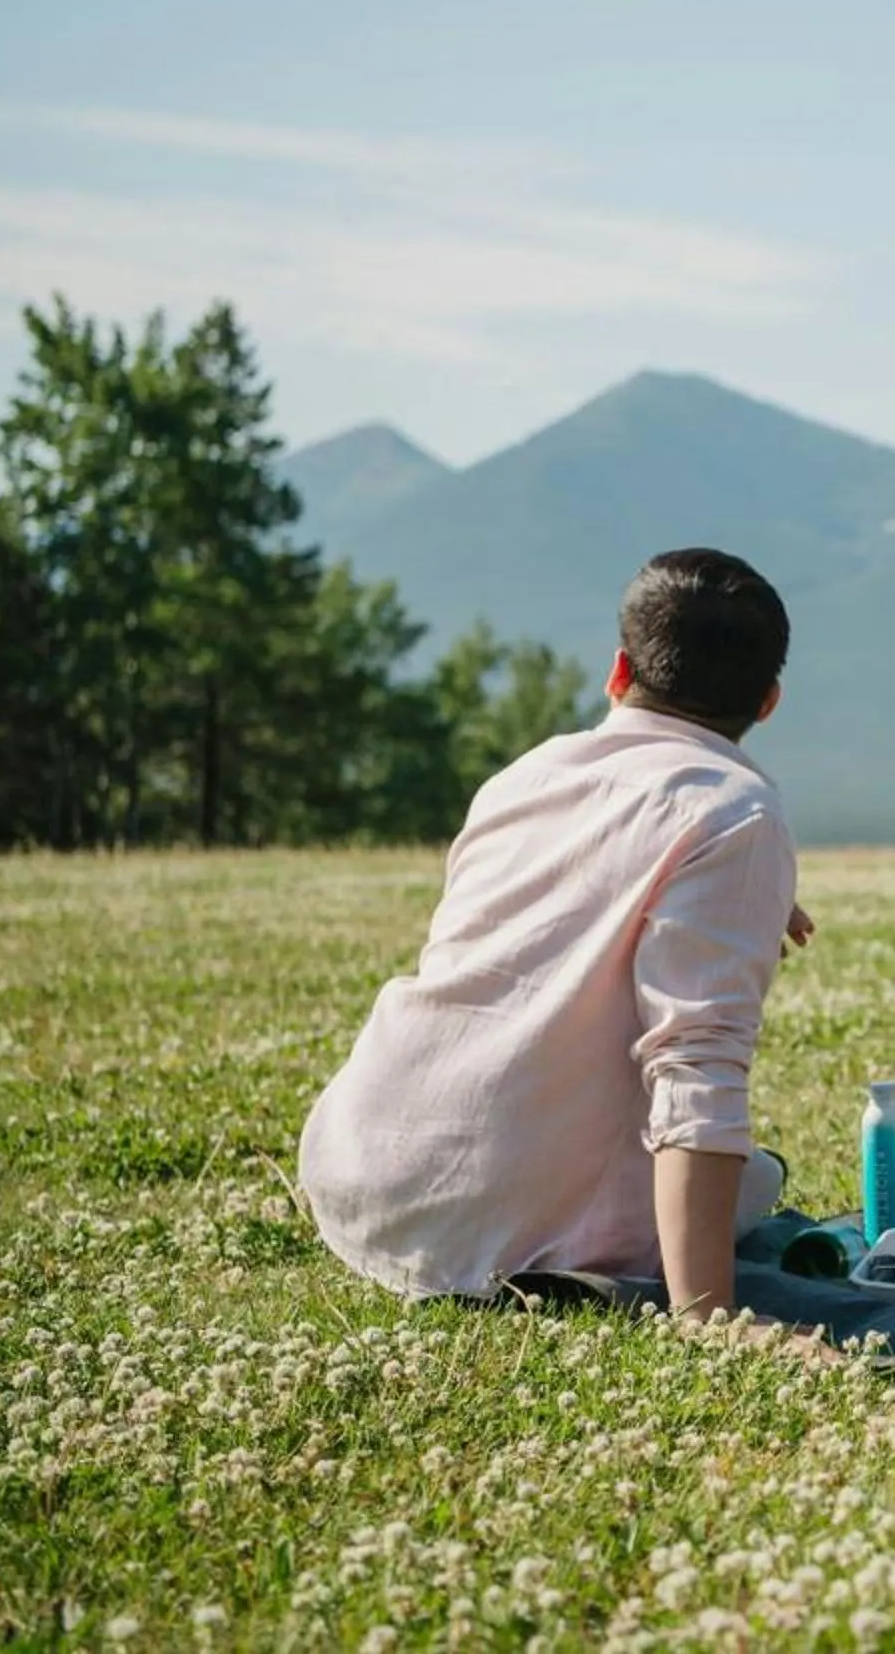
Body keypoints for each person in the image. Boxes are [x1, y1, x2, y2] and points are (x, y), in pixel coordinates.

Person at [299, 548, 813, 1318]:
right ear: (768, 702)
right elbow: (697, 1064)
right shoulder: (737, 811)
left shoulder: (525, 774)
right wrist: (708, 1313)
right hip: (500, 1236)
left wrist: (747, 899)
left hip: (360, 1171)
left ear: (617, 671)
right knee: (756, 1180)